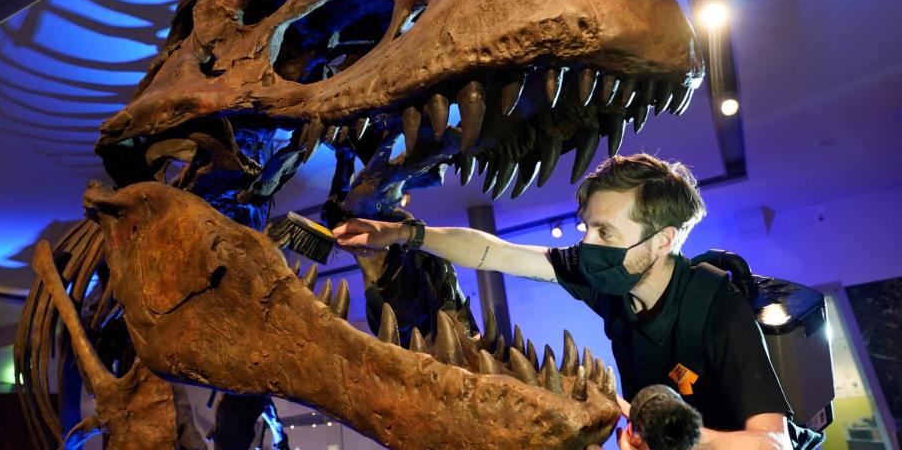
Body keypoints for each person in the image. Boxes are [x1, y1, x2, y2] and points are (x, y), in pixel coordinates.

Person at [333, 153, 794, 449]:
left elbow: (774, 443)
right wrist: (400, 234)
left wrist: (688, 442)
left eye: (605, 232)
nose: (588, 244)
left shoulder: (716, 307)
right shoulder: (605, 275)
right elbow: (494, 252)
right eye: (587, 228)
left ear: (661, 241)